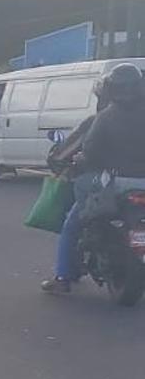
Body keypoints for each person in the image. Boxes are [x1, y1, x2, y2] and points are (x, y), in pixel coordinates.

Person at [42, 63, 145, 294]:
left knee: (72, 220)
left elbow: (90, 151)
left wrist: (82, 161)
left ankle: (62, 277)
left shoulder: (106, 116)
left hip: (115, 182)